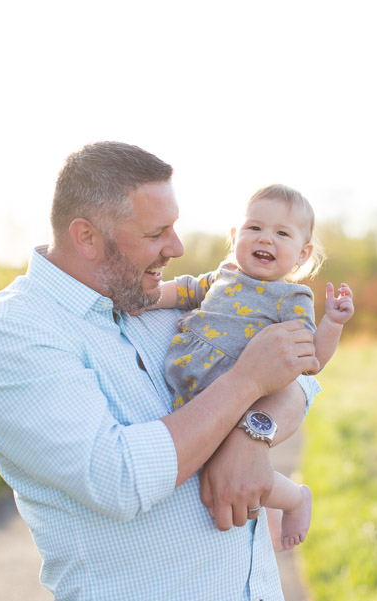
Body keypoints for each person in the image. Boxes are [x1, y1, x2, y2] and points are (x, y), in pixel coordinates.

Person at [0, 142, 320, 601]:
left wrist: (253, 436)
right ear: (87, 237)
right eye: (155, 233)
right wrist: (245, 385)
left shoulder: (153, 299)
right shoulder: (14, 333)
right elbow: (118, 478)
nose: (178, 247)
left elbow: (300, 377)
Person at [151, 184, 354, 550]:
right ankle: (266, 520)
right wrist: (147, 298)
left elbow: (310, 360)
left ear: (302, 254)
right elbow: (184, 290)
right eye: (255, 228)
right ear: (234, 236)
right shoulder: (222, 275)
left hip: (235, 402)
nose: (266, 239)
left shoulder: (291, 298)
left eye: (282, 233)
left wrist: (333, 324)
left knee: (233, 461)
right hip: (193, 392)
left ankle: (294, 498)